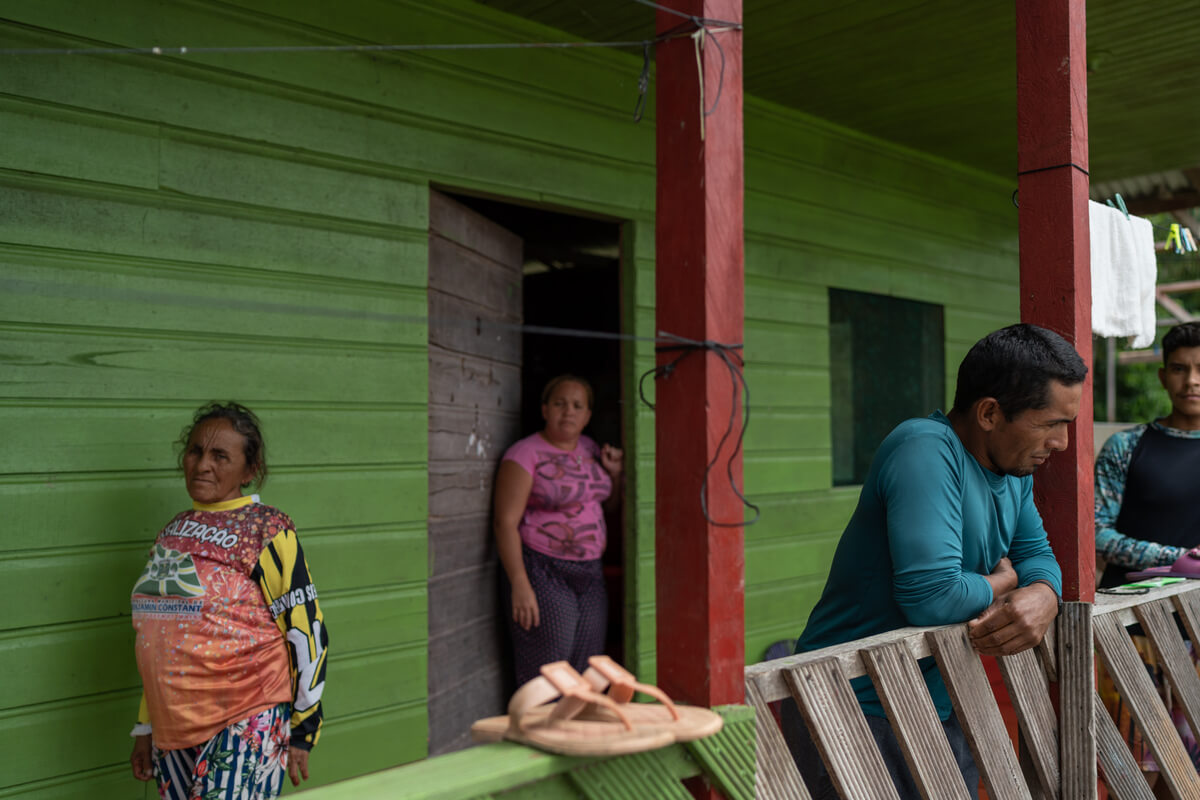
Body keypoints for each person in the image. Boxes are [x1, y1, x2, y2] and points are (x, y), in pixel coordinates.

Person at [782, 324, 1082, 800]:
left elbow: (1037, 555)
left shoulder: (1013, 467)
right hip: (851, 706)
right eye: (1050, 424)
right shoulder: (924, 446)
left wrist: (1044, 593)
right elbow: (932, 597)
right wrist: (1004, 582)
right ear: (989, 413)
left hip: (938, 701)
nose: (1062, 443)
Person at [129, 402, 328, 799]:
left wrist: (304, 729)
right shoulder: (172, 532)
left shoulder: (268, 530)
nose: (203, 464)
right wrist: (146, 727)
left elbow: (306, 627)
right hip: (173, 725)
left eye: (221, 456)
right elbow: (160, 637)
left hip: (245, 714)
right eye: (196, 451)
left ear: (249, 470)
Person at [1094, 322, 1200, 791]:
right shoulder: (1126, 447)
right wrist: (1180, 558)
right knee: (1135, 764)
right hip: (1133, 629)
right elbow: (1096, 532)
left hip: (1199, 631)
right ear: (1162, 376)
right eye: (1180, 369)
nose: (1192, 380)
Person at [493, 374, 624, 685]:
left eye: (578, 406)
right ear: (545, 409)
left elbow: (609, 507)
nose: (569, 412)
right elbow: (505, 523)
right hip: (544, 569)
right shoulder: (525, 454)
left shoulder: (591, 450)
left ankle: (573, 733)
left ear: (587, 415)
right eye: (560, 404)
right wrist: (519, 583)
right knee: (549, 667)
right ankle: (539, 732)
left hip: (591, 573)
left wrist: (616, 475)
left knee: (588, 666)